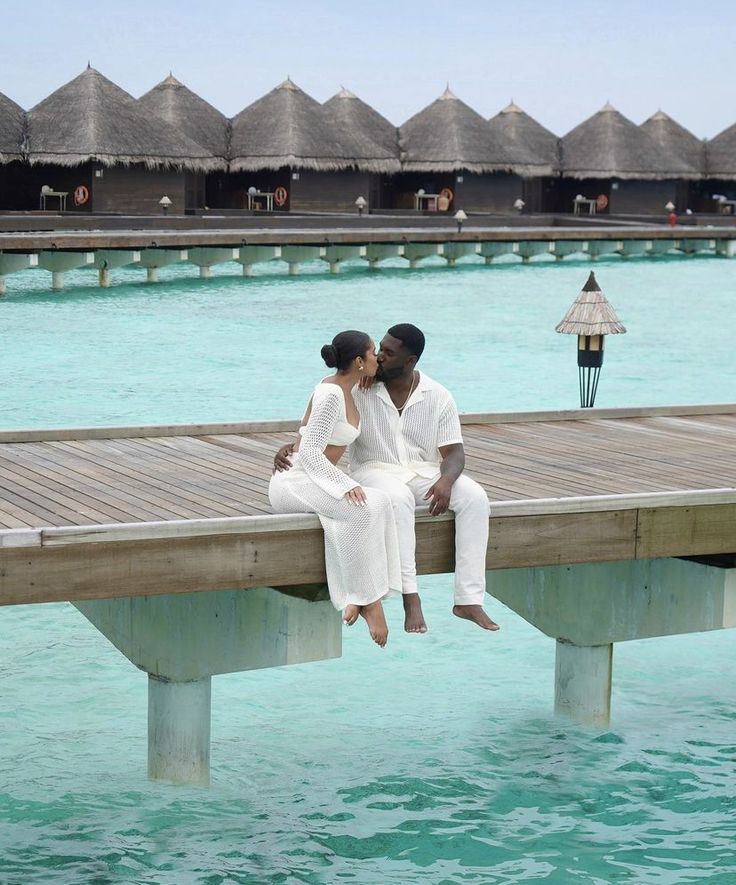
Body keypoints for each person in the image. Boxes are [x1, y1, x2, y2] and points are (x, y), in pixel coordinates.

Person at [275, 323, 498, 634]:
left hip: (423, 472)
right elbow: (320, 419)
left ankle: (469, 599)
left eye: (389, 353)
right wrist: (293, 446)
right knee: (396, 498)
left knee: (475, 497)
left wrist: (446, 481)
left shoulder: (438, 395)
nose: (379, 357)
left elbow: (455, 453)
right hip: (374, 470)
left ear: (410, 361)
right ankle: (410, 596)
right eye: (378, 349)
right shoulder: (360, 386)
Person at [269, 330, 401, 647]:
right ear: (358, 361)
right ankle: (370, 602)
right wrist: (344, 485)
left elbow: (304, 433)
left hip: (315, 476)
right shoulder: (330, 394)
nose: (377, 358)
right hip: (296, 481)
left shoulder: (347, 388)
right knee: (360, 509)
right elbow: (311, 451)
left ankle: (360, 592)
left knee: (381, 503)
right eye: (372, 353)